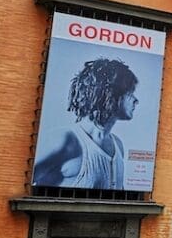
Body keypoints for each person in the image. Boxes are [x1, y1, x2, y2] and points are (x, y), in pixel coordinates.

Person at [32, 58, 139, 191]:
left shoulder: (118, 145)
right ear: (110, 94)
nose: (136, 100)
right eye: (130, 93)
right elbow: (22, 179)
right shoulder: (65, 140)